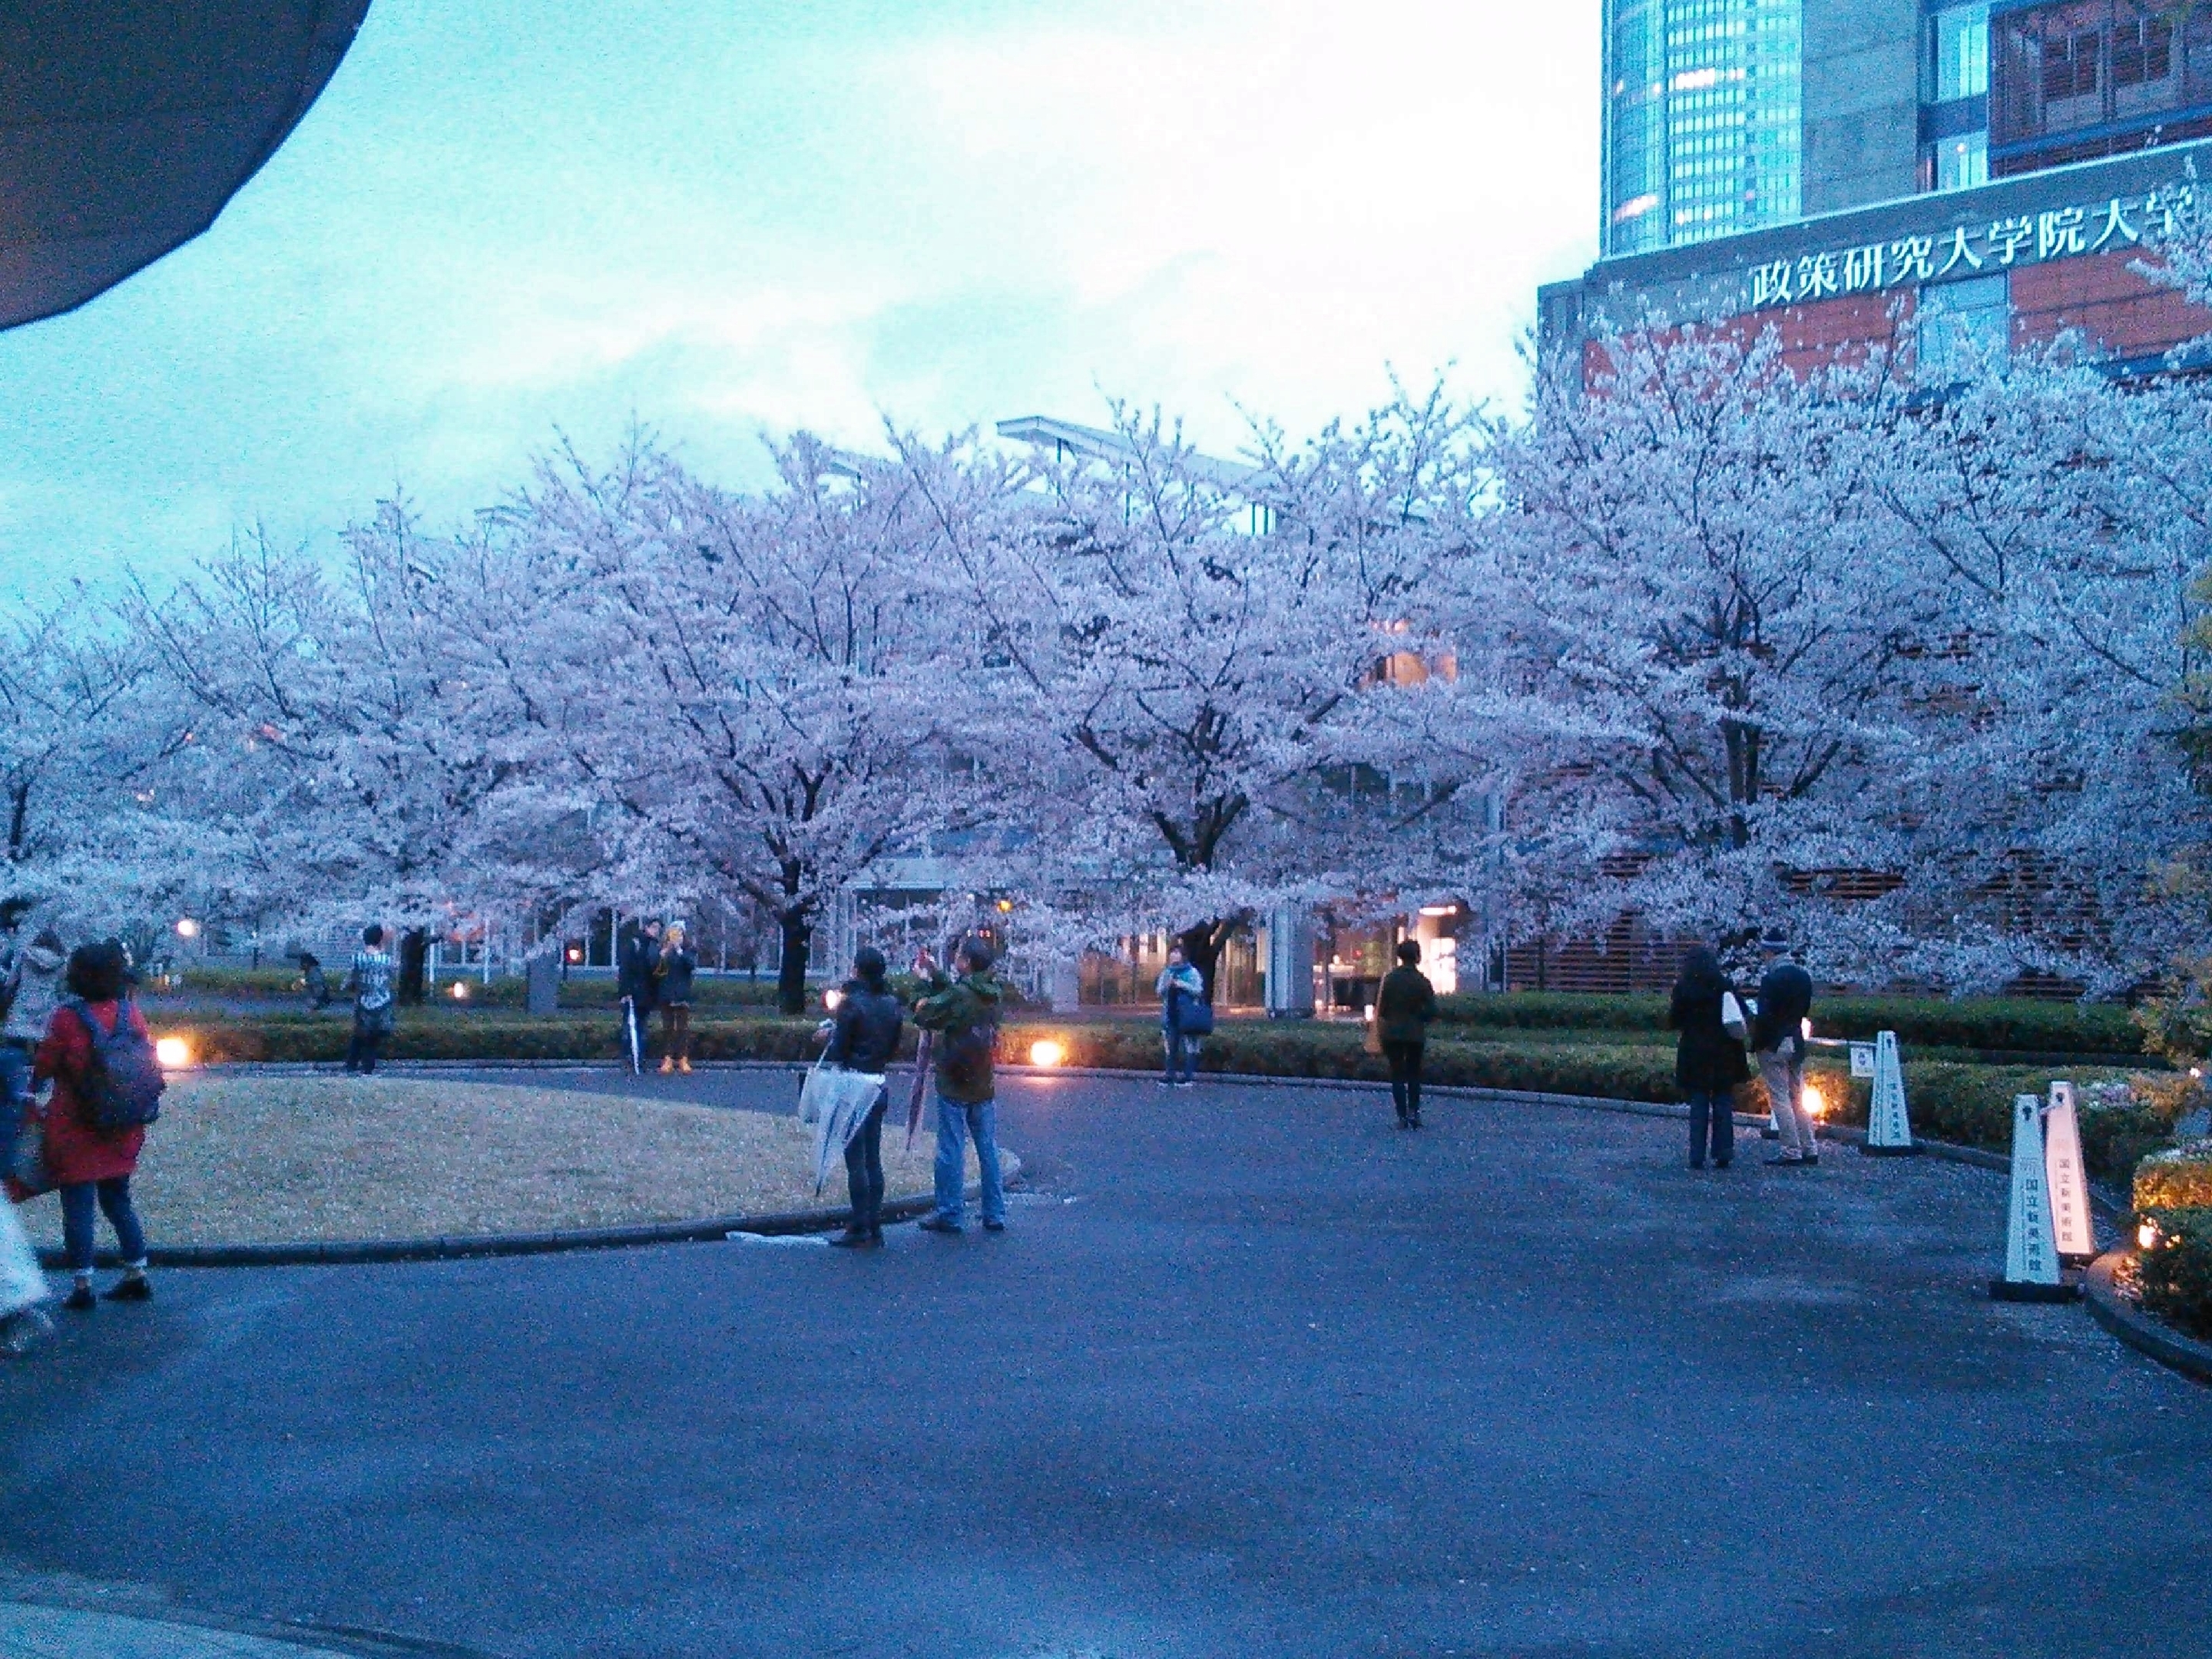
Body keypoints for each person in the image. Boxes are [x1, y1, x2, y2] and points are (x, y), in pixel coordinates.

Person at [34, 940, 153, 1311]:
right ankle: (137, 1274)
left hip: (75, 1125)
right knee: (119, 1201)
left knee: (78, 1207)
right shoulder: (130, 1013)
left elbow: (45, 1066)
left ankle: (83, 1284)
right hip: (122, 1122)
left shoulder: (67, 1019)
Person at [910, 938, 1008, 1236]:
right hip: (983, 1078)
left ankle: (950, 1213)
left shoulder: (961, 995)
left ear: (966, 963)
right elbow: (956, 994)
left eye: (959, 957)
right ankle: (994, 1212)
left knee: (951, 1147)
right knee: (987, 1148)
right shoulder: (994, 993)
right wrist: (938, 975)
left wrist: (922, 985)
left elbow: (925, 1014)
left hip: (953, 1078)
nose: (956, 959)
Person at [823, 947, 902, 1248]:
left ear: (857, 970)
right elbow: (894, 1045)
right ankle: (874, 1224)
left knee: (855, 1158)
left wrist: (826, 1039)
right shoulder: (892, 1004)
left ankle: (858, 1225)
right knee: (873, 1157)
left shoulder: (851, 1005)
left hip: (853, 1082)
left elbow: (839, 1050)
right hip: (878, 1081)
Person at [1668, 945, 1750, 1170]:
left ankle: (1697, 1155)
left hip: (1694, 1051)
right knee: (1723, 1100)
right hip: (1724, 1051)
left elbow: (1674, 1020)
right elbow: (1741, 1012)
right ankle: (1724, 1151)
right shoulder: (1724, 985)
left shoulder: (1683, 988)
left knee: (1699, 1101)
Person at [1, 926, 65, 1184]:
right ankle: (35, 1161)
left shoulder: (23, 959)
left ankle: (5, 1165)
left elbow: (10, 988)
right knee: (36, 1100)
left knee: (10, 1104)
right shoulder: (62, 966)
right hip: (43, 1035)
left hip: (16, 1033)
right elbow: (62, 996)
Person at [1750, 929, 1818, 1166]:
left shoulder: (1771, 979)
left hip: (1774, 1044)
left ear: (1769, 952)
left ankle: (1791, 1149)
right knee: (1798, 1095)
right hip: (1796, 1041)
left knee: (1780, 1097)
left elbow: (1765, 1016)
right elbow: (1805, 1011)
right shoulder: (1803, 976)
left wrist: (1758, 1039)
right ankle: (1810, 1146)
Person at [1376, 940, 1439, 1129]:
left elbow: (1383, 1009)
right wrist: (1419, 1017)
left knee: (1397, 1074)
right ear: (1417, 957)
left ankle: (1401, 1116)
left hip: (1392, 1033)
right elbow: (1432, 1011)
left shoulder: (1390, 979)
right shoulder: (1422, 982)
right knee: (1414, 1074)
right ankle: (1414, 1113)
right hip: (1415, 1034)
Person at [344, 924, 396, 1075]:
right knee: (374, 1038)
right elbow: (391, 979)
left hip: (363, 1001)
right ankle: (368, 1068)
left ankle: (351, 1066)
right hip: (382, 1002)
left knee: (360, 1034)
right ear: (380, 939)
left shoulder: (357, 958)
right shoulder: (387, 960)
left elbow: (349, 981)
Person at [617, 919, 662, 1074]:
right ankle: (628, 1057)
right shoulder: (635, 944)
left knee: (642, 1027)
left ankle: (640, 1058)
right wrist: (625, 992)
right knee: (629, 1027)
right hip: (634, 993)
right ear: (647, 927)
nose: (656, 930)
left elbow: (657, 972)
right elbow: (625, 969)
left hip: (647, 995)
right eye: (654, 927)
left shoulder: (655, 946)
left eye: (658, 928)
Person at [1156, 946, 1204, 1088]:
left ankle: (1188, 1076)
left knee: (1190, 1045)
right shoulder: (1167, 972)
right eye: (1171, 954)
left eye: (1176, 954)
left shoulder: (1192, 972)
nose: (1173, 957)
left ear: (1183, 956)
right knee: (1171, 1046)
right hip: (1170, 1014)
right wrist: (1167, 984)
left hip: (1188, 1014)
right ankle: (1170, 1074)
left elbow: (1198, 991)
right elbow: (1159, 992)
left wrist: (1181, 984)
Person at [656, 923, 697, 1075]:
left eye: (679, 933)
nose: (676, 936)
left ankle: (683, 1058)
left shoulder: (688, 950)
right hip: (666, 993)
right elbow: (655, 969)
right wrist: (662, 954)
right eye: (673, 932)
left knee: (682, 1028)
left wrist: (680, 951)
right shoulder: (663, 949)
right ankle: (667, 1058)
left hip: (682, 994)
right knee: (667, 1028)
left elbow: (691, 965)